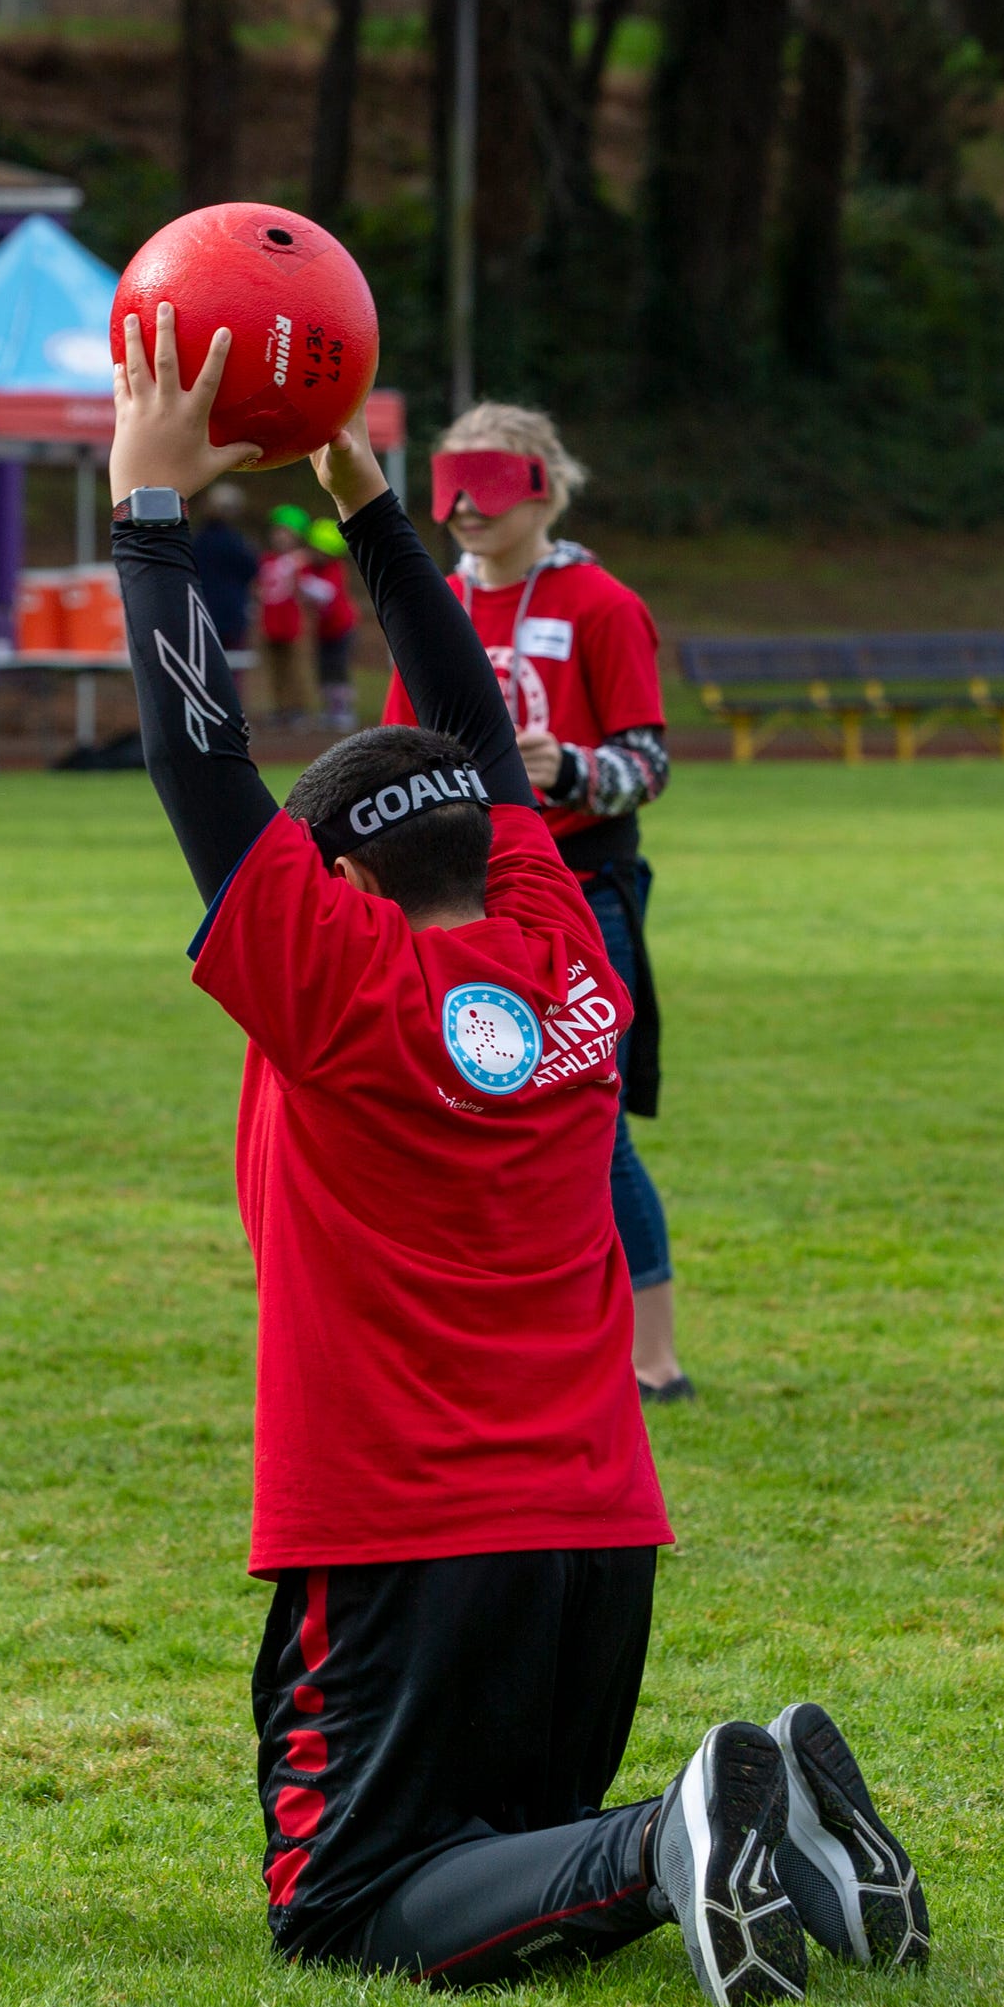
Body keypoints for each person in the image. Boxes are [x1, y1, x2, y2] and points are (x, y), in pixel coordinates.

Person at [107, 300, 929, 2007]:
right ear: (495, 839)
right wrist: (372, 507)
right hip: (593, 1536)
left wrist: (148, 512)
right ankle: (767, 1796)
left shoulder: (332, 987)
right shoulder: (561, 945)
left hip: (405, 1536)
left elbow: (200, 754)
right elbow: (480, 739)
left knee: (344, 1902)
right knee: (510, 1855)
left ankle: (670, 1832)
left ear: (325, 884)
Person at [384, 401, 690, 1402]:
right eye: (447, 484)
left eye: (489, 480)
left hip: (580, 886)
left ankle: (651, 1356)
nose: (464, 504)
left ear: (543, 485)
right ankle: (518, 1333)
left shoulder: (600, 603)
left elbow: (648, 763)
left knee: (590, 1119)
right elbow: (393, 752)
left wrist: (570, 774)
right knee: (456, 1107)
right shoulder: (428, 608)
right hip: (457, 900)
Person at [299, 517, 359, 731]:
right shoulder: (309, 568)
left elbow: (326, 593)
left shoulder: (336, 569)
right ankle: (330, 709)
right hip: (323, 630)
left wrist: (303, 584)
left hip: (341, 628)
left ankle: (342, 710)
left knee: (338, 669)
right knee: (324, 669)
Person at [257, 503, 309, 724]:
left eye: (286, 533)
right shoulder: (266, 559)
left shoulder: (301, 560)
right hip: (270, 621)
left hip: (292, 622)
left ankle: (297, 708)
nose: (281, 538)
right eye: (278, 532)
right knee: (275, 669)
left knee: (295, 668)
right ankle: (279, 707)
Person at [192, 481, 259, 652]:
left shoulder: (198, 541)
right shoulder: (235, 543)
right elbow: (251, 569)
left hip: (202, 612)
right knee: (231, 667)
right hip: (230, 615)